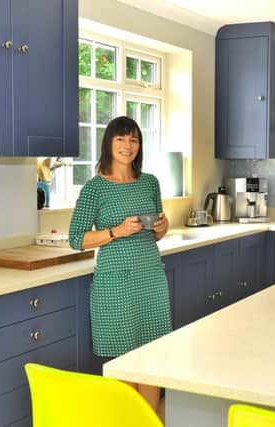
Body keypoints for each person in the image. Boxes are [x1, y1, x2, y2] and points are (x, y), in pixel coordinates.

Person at [68, 116, 171, 414]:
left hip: (151, 277)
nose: (128, 146)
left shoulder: (150, 182)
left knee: (152, 358)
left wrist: (163, 227)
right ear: (108, 144)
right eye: (121, 139)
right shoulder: (95, 188)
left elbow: (159, 232)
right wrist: (116, 231)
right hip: (116, 284)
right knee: (125, 362)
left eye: (134, 140)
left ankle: (149, 421)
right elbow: (76, 238)